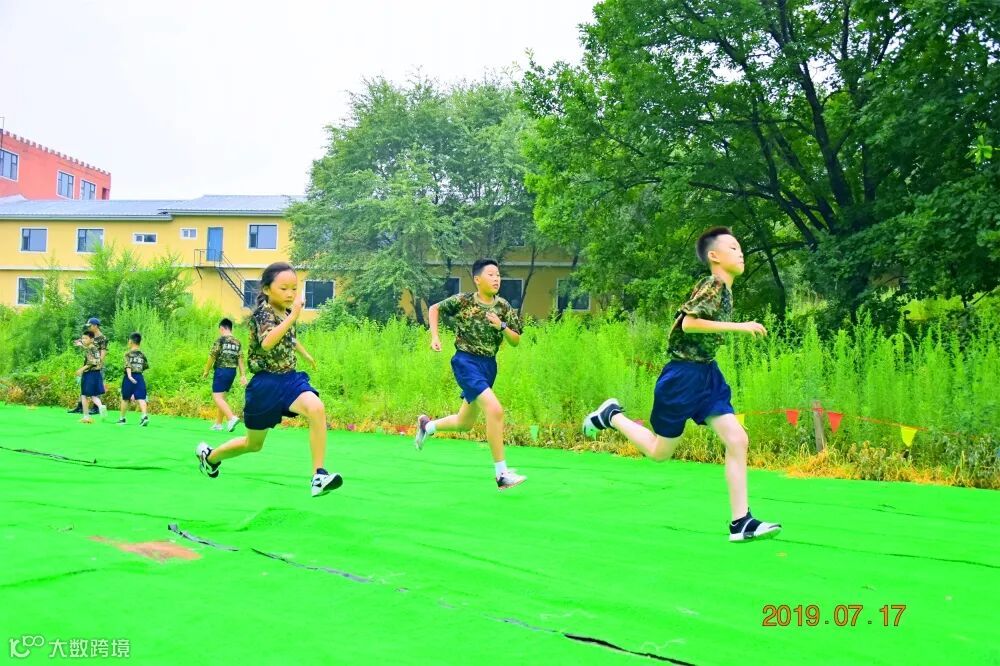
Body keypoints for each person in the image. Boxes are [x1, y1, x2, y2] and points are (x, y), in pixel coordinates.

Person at [583, 227, 781, 542]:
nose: (741, 252)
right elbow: (689, 324)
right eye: (733, 247)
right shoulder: (713, 284)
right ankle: (612, 416)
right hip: (682, 377)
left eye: (741, 247)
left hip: (707, 374)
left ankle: (741, 522)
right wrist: (739, 327)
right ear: (714, 256)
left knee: (737, 439)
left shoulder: (725, 290)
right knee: (659, 453)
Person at [195, 262, 342, 497]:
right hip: (264, 386)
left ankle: (318, 475)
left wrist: (306, 354)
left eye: (294, 289)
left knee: (316, 408)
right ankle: (210, 457)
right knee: (253, 444)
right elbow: (267, 342)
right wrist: (294, 316)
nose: (290, 294)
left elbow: (289, 338)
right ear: (266, 289)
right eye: (284, 288)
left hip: (290, 380)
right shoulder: (262, 314)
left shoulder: (286, 314)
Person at [414, 259, 527, 490]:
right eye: (491, 275)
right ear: (477, 279)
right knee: (495, 410)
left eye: (498, 275)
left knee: (464, 422)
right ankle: (501, 475)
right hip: (466, 363)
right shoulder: (464, 300)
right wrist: (434, 337)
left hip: (488, 366)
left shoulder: (503, 307)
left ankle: (427, 426)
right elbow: (434, 309)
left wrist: (502, 326)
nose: (496, 279)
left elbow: (516, 340)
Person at [202, 318, 247, 431]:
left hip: (222, 370)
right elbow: (241, 359)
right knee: (222, 397)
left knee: (217, 397)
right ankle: (218, 424)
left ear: (222, 328)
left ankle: (231, 418)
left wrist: (206, 371)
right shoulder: (237, 342)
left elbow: (212, 356)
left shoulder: (220, 340)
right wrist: (243, 375)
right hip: (232, 372)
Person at [117, 332, 150, 426]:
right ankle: (144, 416)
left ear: (130, 341)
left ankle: (122, 419)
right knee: (141, 397)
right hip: (139, 376)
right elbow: (145, 366)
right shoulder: (142, 354)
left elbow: (127, 365)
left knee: (125, 398)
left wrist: (130, 376)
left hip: (129, 377)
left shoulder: (127, 354)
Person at [75, 330, 108, 423]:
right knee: (93, 395)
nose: (83, 340)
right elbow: (94, 357)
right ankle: (101, 406)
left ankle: (86, 416)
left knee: (84, 395)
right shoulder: (94, 348)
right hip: (96, 374)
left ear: (92, 339)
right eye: (82, 338)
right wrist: (81, 345)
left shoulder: (90, 349)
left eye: (85, 338)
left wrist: (81, 369)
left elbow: (91, 362)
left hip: (89, 373)